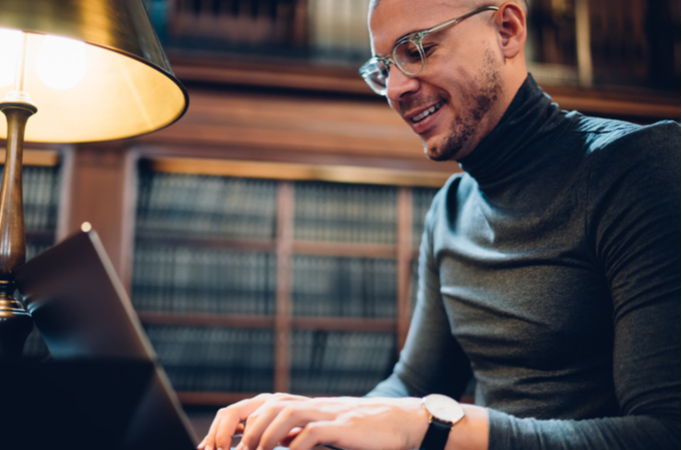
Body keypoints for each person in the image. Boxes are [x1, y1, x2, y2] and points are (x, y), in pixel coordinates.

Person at [197, 1, 681, 449]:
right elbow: (414, 386)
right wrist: (312, 424)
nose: (395, 89)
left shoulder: (639, 168)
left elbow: (666, 431)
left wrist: (431, 425)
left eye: (418, 49)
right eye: (384, 67)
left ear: (507, 31)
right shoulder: (451, 208)